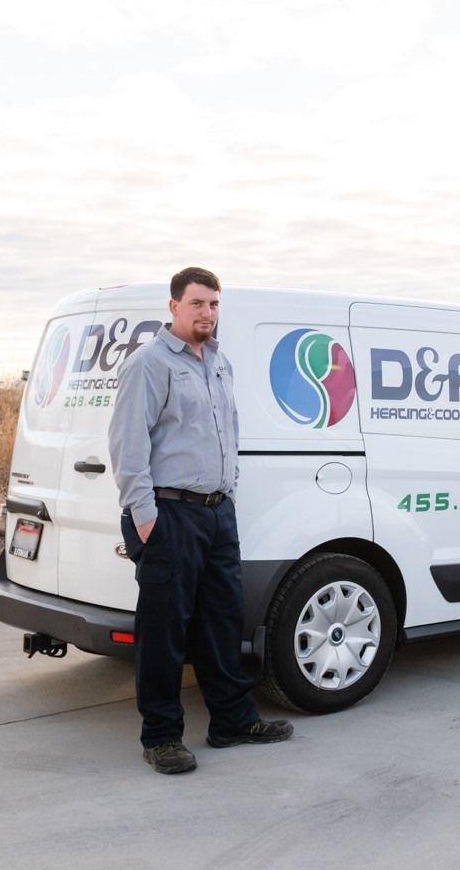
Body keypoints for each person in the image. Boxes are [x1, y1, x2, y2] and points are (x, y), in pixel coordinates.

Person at [108, 266, 293, 774]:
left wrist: (228, 492)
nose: (207, 313)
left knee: (221, 622)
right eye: (197, 304)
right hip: (169, 514)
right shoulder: (150, 364)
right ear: (173, 307)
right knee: (164, 630)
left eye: (213, 304)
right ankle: (162, 736)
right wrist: (146, 518)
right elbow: (128, 446)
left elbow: (227, 430)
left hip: (216, 514)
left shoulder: (218, 362)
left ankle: (231, 721)